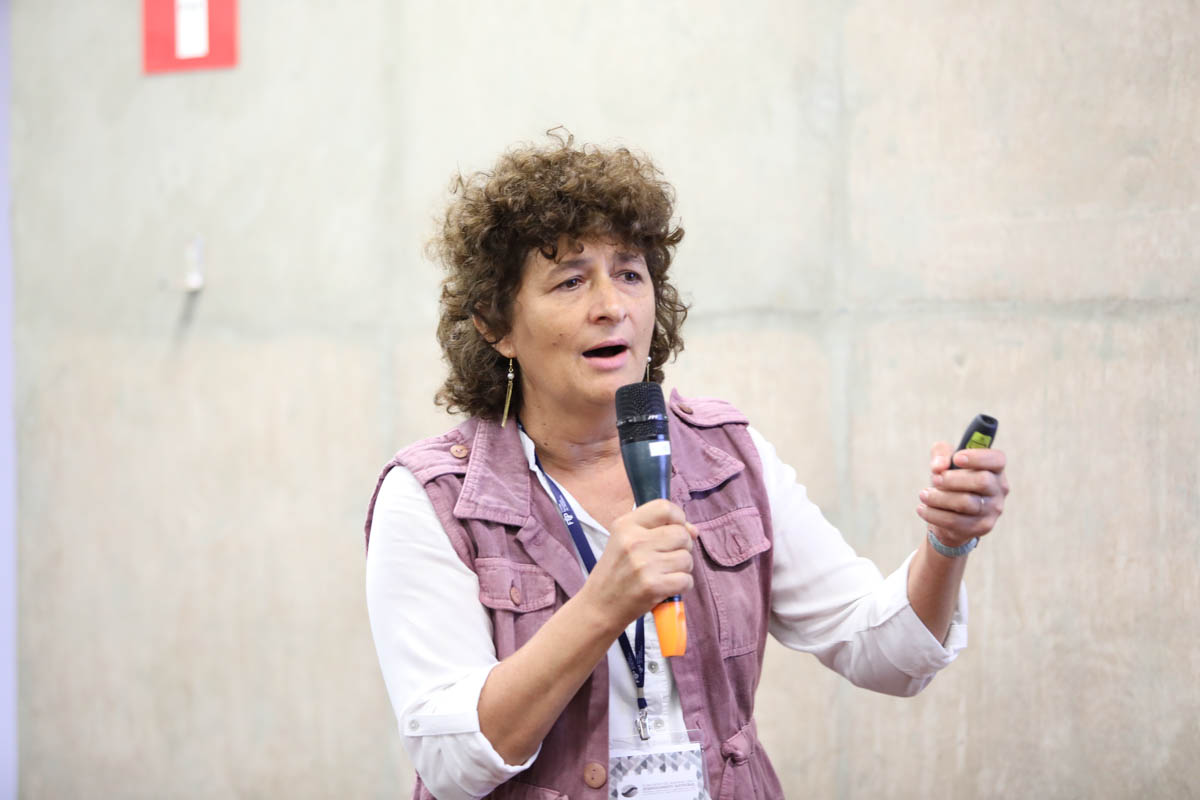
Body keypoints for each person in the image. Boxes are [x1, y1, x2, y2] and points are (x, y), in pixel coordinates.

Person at [365, 133, 1009, 800]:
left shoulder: (727, 458)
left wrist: (947, 543)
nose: (612, 305)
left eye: (630, 274)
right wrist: (601, 607)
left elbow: (886, 654)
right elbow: (453, 762)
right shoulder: (432, 498)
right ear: (495, 324)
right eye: (570, 280)